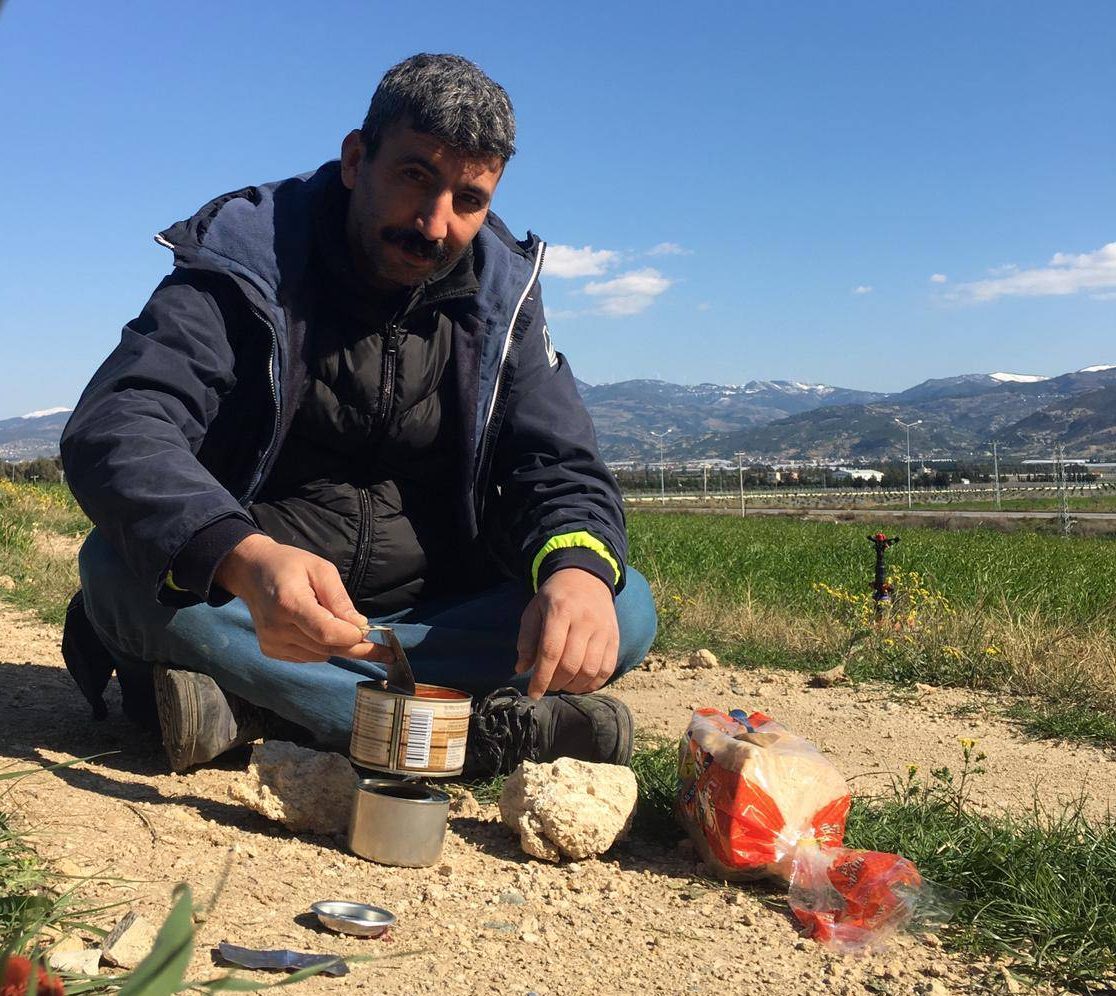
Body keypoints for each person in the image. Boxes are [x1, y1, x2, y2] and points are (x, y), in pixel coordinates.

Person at [60, 53, 657, 776]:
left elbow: (558, 464)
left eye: (469, 200)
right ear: (354, 159)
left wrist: (575, 574)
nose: (435, 224)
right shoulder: (245, 262)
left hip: (440, 613)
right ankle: (475, 737)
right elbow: (122, 422)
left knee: (623, 608)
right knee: (115, 572)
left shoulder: (505, 299)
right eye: (415, 178)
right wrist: (247, 561)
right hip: (258, 605)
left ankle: (264, 708)